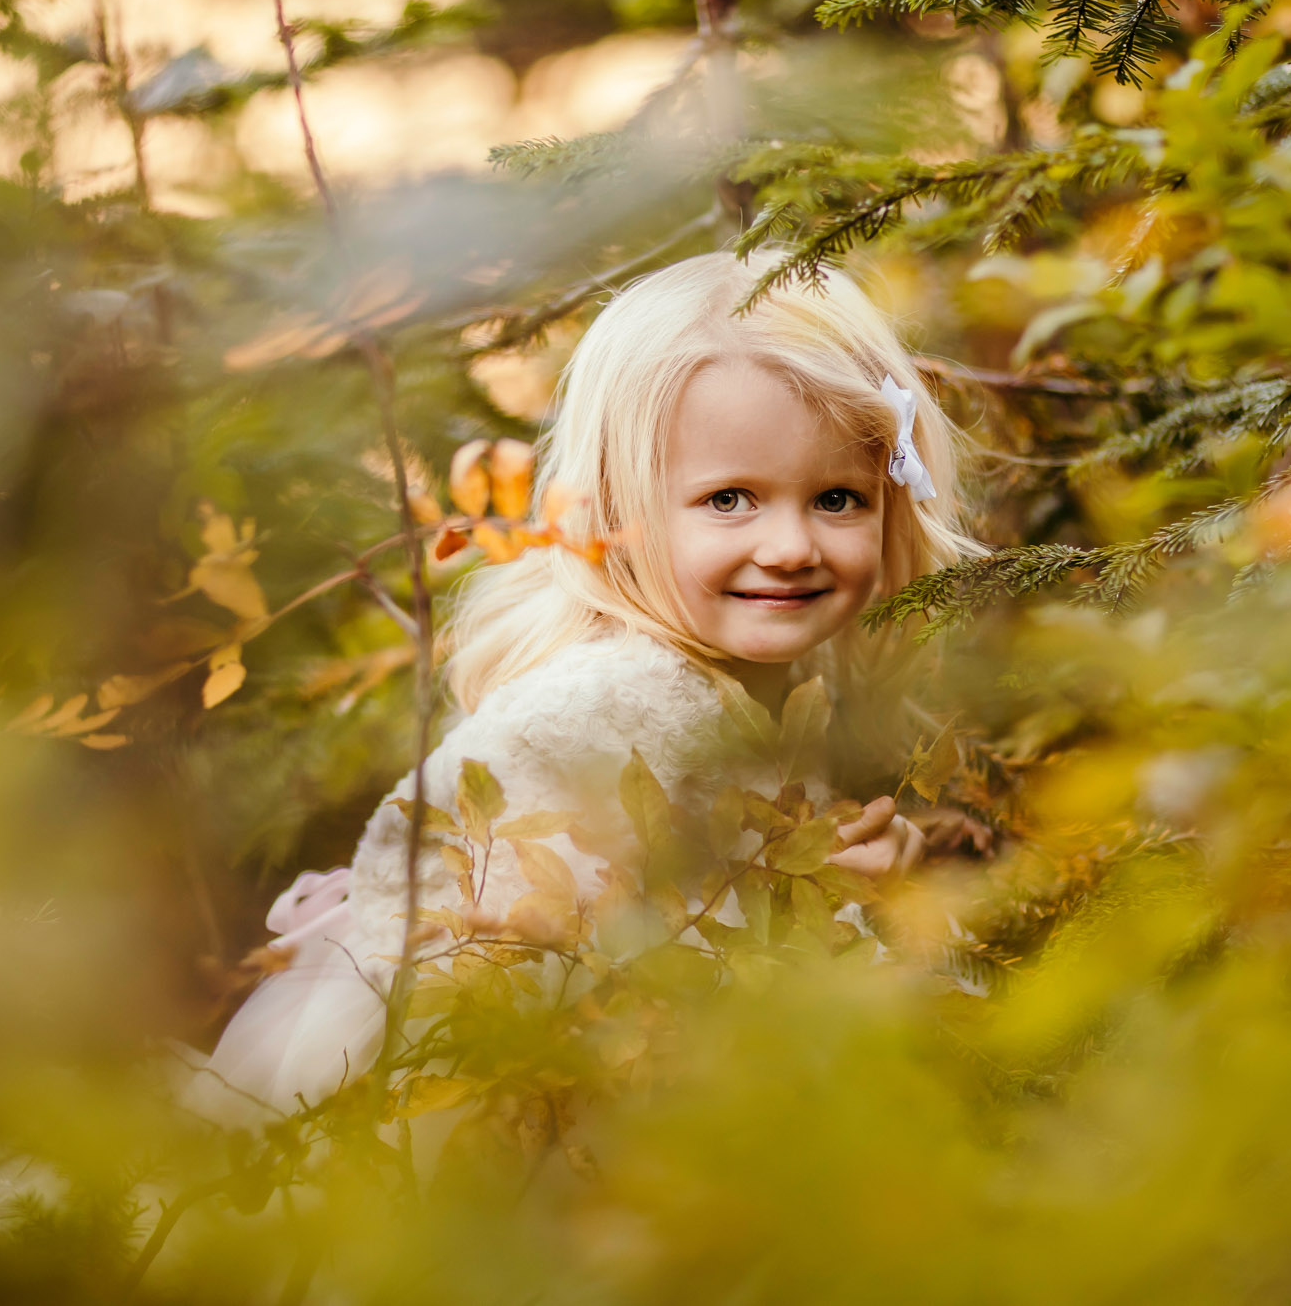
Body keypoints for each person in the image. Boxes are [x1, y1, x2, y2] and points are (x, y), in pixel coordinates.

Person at [183, 248, 989, 1126]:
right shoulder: (604, 712)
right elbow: (453, 980)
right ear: (617, 510)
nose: (792, 544)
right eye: (729, 499)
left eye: (836, 498)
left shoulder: (759, 692)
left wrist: (848, 887)